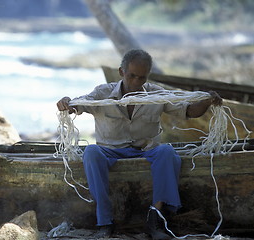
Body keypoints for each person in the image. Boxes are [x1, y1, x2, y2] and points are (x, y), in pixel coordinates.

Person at [56, 49, 222, 240]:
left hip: (147, 150)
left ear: (147, 77)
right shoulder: (103, 92)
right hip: (110, 151)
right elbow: (78, 105)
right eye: (131, 76)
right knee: (91, 152)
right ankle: (105, 222)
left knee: (167, 152)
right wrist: (67, 102)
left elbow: (190, 111)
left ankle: (156, 219)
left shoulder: (156, 94)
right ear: (121, 72)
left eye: (141, 78)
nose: (136, 82)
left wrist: (208, 100)